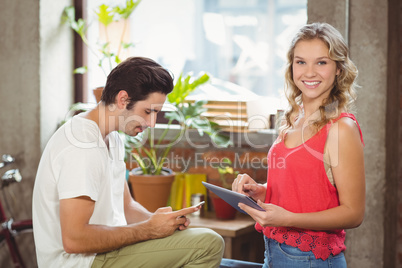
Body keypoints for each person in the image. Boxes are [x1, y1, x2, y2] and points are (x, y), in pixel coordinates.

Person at [32, 57, 224, 268]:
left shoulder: (112, 137)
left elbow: (127, 207)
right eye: (148, 111)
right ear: (123, 99)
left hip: (107, 253)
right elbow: (74, 239)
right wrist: (149, 230)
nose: (151, 123)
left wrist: (163, 225)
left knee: (197, 238)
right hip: (82, 262)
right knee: (209, 243)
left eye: (156, 113)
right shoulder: (81, 144)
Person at [232, 22, 365, 267]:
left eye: (321, 62)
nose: (309, 72)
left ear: (338, 69)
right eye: (301, 62)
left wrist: (289, 218)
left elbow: (353, 212)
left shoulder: (341, 128)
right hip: (273, 252)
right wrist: (261, 190)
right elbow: (306, 188)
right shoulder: (292, 118)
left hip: (311, 259)